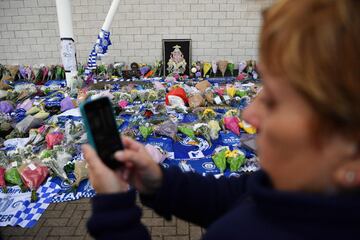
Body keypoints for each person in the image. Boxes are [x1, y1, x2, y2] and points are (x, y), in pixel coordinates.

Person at [83, 0, 360, 239]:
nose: (249, 113)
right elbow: (239, 195)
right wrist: (156, 180)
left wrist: (115, 209)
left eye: (274, 100)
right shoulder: (299, 186)